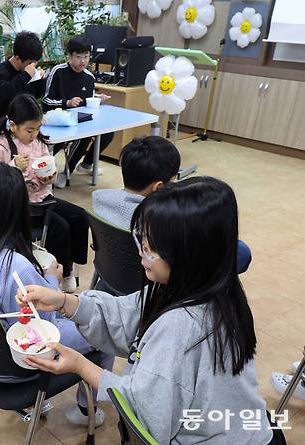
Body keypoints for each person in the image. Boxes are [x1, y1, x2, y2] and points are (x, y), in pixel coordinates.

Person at [17, 177, 286, 445]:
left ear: (187, 254)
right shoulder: (208, 287)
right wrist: (65, 302)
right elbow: (124, 313)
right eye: (142, 241)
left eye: (150, 248)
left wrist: (80, 365)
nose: (141, 254)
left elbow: (145, 410)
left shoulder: (182, 328)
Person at [0, 161, 113, 427]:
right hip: (13, 366)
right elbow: (46, 329)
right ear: (17, 209)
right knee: (104, 329)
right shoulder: (15, 266)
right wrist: (52, 277)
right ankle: (87, 411)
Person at [92, 135, 252, 274]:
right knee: (241, 252)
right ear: (159, 188)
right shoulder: (163, 218)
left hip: (110, 274)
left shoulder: (99, 197)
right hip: (153, 281)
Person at [0, 94, 88, 292]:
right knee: (61, 227)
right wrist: (13, 167)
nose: (34, 134)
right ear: (13, 125)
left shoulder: (38, 142)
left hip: (43, 199)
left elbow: (47, 166)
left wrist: (50, 176)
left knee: (80, 217)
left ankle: (71, 264)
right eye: (30, 130)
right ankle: (64, 273)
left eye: (38, 128)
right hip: (17, 209)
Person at [42, 34, 113, 181]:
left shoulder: (89, 77)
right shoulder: (58, 71)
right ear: (70, 56)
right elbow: (47, 100)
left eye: (86, 57)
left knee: (107, 133)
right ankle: (66, 172)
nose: (83, 61)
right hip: (56, 119)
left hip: (79, 119)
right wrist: (66, 103)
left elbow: (87, 99)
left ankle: (86, 165)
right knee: (83, 134)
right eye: (78, 56)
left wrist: (98, 99)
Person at [0, 31, 47, 121]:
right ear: (17, 58)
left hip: (28, 122)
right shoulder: (0, 73)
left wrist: (41, 80)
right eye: (30, 63)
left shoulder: (28, 70)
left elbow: (37, 94)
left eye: (35, 62)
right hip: (6, 124)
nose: (33, 65)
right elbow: (5, 95)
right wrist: (26, 76)